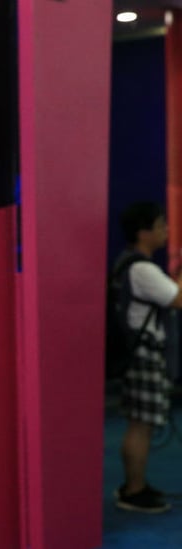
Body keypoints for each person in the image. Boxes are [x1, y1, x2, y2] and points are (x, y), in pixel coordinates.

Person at [113, 201, 177, 513]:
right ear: (144, 232)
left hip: (137, 355)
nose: (166, 231)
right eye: (161, 225)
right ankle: (133, 490)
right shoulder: (142, 268)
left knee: (141, 423)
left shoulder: (132, 264)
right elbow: (178, 299)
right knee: (142, 424)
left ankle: (134, 484)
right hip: (145, 356)